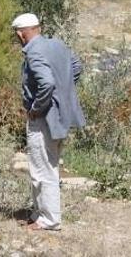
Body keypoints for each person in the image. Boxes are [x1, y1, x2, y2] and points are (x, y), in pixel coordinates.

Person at [12, 13, 85, 231]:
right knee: (49, 164)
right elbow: (76, 67)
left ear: (21, 33)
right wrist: (64, 93)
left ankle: (49, 219)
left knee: (42, 168)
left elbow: (46, 83)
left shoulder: (33, 51)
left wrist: (36, 108)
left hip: (44, 118)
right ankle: (40, 213)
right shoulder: (57, 44)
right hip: (61, 116)